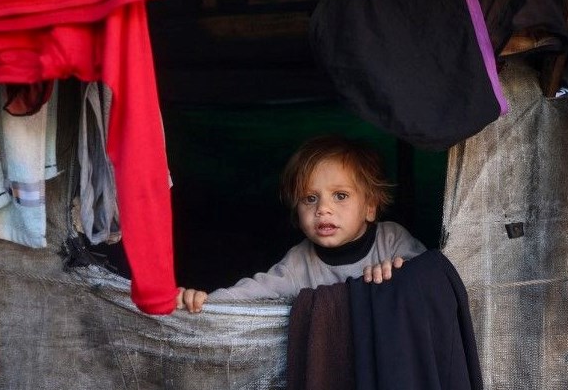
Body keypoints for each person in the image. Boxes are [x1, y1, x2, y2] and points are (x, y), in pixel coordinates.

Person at [178, 134, 427, 313]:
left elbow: (429, 279)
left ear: (370, 207)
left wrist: (398, 273)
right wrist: (206, 302)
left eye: (340, 196)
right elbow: (257, 290)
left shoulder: (391, 239)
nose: (323, 209)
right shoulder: (299, 261)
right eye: (310, 198)